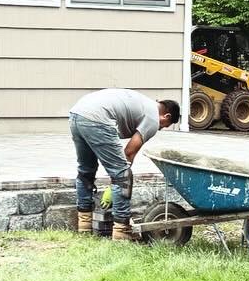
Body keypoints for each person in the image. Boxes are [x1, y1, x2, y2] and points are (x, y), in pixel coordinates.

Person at [69, 89, 180, 240]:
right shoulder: (153, 118)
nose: (160, 128)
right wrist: (115, 184)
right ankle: (121, 232)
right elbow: (128, 153)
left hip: (77, 113)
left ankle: (84, 227)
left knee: (85, 171)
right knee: (123, 176)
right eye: (165, 125)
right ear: (166, 116)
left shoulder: (143, 102)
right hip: (97, 119)